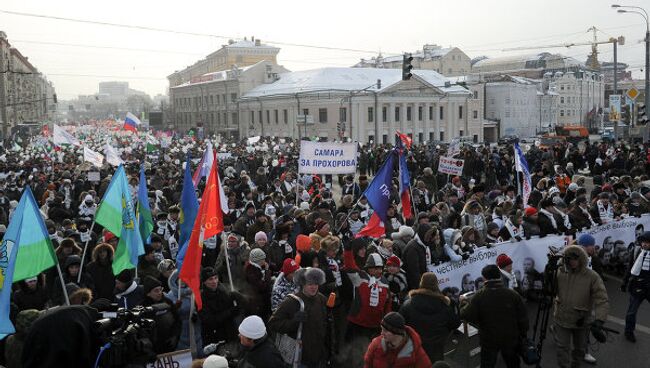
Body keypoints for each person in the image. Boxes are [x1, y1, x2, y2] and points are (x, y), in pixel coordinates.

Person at [549, 245, 609, 368]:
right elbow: (550, 290)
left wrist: (599, 320)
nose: (572, 261)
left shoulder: (592, 276)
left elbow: (602, 299)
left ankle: (576, 365)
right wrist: (549, 271)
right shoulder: (559, 272)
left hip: (581, 322)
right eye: (569, 258)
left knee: (580, 350)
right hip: (561, 318)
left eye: (575, 258)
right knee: (562, 348)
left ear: (582, 258)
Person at [460, 265, 529, 368]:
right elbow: (523, 318)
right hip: (510, 337)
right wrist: (522, 335)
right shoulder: (512, 294)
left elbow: (466, 315)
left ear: (484, 278)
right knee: (513, 363)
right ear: (499, 276)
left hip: (489, 339)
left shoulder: (479, 296)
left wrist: (463, 303)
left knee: (488, 364)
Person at [268, 267, 328, 368]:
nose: (313, 287)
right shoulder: (292, 301)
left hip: (319, 356)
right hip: (300, 359)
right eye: (310, 284)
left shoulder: (321, 299)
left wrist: (329, 349)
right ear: (302, 284)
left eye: (316, 284)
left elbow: (327, 325)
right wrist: (293, 322)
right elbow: (273, 324)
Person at [399, 272, 460, 363]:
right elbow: (455, 323)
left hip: (414, 346)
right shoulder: (445, 305)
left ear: (421, 283)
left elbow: (400, 322)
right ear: (436, 284)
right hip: (436, 348)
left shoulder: (409, 304)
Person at [363, 312, 432, 368]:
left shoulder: (416, 352)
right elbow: (367, 365)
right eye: (382, 329)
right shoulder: (375, 344)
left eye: (386, 330)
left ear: (396, 333)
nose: (382, 333)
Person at [621, 231, 650, 343]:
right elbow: (630, 268)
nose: (644, 244)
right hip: (637, 286)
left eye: (647, 242)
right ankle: (628, 331)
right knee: (631, 311)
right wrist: (624, 282)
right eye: (643, 242)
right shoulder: (637, 251)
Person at [199, 267, 240, 345]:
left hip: (230, 334)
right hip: (215, 338)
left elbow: (235, 312)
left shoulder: (224, 291)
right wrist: (230, 312)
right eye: (210, 279)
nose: (214, 281)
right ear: (204, 282)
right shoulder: (201, 299)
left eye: (215, 278)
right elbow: (210, 321)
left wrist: (237, 302)